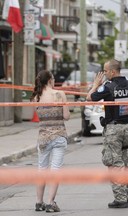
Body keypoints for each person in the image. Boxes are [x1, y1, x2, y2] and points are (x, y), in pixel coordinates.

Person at [86, 59, 128, 208]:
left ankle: (120, 199)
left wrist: (96, 85)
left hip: (114, 130)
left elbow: (89, 98)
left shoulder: (108, 87)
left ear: (112, 71)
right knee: (127, 162)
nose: (103, 73)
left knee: (115, 164)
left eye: (105, 70)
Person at [30, 70, 70, 213]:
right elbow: (66, 116)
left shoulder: (36, 97)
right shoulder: (59, 94)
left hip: (43, 138)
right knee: (55, 170)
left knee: (42, 170)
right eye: (53, 78)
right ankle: (50, 202)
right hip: (59, 135)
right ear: (50, 80)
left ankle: (38, 202)